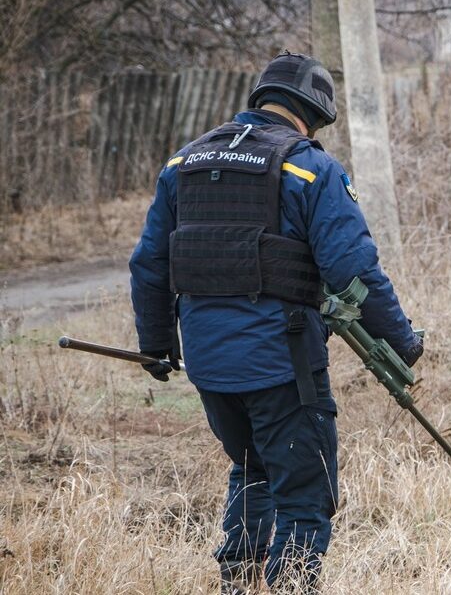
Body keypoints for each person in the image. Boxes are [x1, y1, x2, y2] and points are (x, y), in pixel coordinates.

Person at [129, 51, 423, 593]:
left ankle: (237, 583)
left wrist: (156, 344)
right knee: (305, 493)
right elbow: (354, 270)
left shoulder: (182, 164)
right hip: (282, 364)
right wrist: (402, 342)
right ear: (314, 114)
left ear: (262, 99)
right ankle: (290, 587)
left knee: (252, 467)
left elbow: (148, 264)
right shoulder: (309, 167)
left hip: (209, 367)